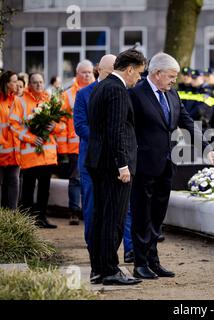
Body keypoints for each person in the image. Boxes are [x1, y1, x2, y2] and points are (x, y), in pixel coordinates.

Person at [128, 52, 214, 280]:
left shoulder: (172, 94)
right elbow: (126, 129)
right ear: (156, 73)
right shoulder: (135, 94)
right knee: (142, 216)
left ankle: (153, 261)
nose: (174, 80)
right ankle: (140, 263)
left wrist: (208, 149)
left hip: (165, 166)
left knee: (158, 217)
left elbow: (188, 122)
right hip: (141, 166)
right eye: (171, 76)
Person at [85, 49, 146, 286]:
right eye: (139, 73)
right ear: (129, 69)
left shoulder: (102, 86)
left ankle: (99, 269)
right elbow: (116, 131)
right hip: (113, 166)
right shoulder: (117, 90)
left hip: (99, 162)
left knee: (101, 217)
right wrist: (122, 165)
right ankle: (110, 269)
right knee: (114, 219)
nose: (139, 78)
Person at [73, 54, 135, 264]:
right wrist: (104, 138)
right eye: (109, 71)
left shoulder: (124, 89)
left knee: (123, 207)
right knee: (93, 207)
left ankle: (129, 248)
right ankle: (95, 250)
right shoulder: (84, 94)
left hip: (114, 159)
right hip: (94, 159)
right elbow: (81, 127)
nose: (112, 75)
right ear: (100, 70)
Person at [10, 73, 63, 228]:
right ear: (29, 85)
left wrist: (54, 127)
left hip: (48, 155)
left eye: (41, 82)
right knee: (28, 189)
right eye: (35, 82)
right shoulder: (20, 101)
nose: (39, 85)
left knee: (44, 190)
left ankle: (41, 218)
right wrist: (31, 138)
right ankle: (27, 221)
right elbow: (14, 125)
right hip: (31, 155)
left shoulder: (51, 100)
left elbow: (64, 125)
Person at [59, 60, 95, 225]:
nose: (87, 75)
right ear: (77, 74)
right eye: (84, 72)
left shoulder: (99, 89)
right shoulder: (67, 95)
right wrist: (63, 147)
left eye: (89, 72)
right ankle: (74, 211)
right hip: (74, 146)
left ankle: (88, 212)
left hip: (93, 145)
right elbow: (60, 122)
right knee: (75, 179)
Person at [0, 71, 21, 209]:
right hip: (2, 151)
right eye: (14, 81)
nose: (17, 84)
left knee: (14, 182)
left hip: (15, 151)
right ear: (7, 83)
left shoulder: (17, 101)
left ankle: (12, 217)